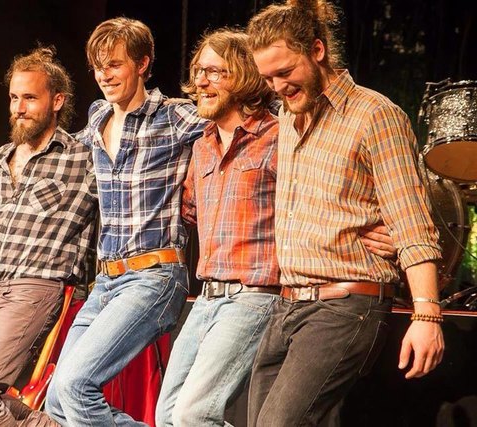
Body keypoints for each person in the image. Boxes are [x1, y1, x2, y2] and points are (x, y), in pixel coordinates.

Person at [246, 1, 444, 425]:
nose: (278, 86)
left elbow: (413, 225)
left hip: (345, 305)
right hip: (288, 306)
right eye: (268, 78)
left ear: (317, 50)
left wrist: (427, 314)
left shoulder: (375, 116)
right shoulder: (288, 117)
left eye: (285, 71)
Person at [44, 18, 207, 426]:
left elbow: (240, 124)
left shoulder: (174, 116)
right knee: (57, 401)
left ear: (142, 64)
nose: (104, 75)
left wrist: (197, 183)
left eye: (114, 64)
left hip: (154, 275)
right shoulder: (98, 118)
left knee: (76, 385)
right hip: (105, 282)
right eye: (98, 67)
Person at [0, 46, 98, 427]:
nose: (19, 108)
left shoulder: (82, 158)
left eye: (30, 98)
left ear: (57, 101)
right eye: (14, 98)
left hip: (35, 287)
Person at [154, 29, 280, 426]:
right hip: (207, 296)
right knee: (167, 414)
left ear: (243, 76)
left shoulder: (278, 138)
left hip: (253, 296)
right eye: (198, 71)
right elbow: (190, 211)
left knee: (194, 414)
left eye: (214, 72)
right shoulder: (202, 145)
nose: (201, 82)